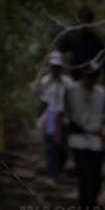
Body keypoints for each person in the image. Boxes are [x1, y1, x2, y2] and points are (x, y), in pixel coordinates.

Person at [63, 64, 105, 210]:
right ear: (83, 76)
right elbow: (64, 112)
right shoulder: (71, 90)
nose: (90, 79)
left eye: (93, 76)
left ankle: (91, 205)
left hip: (95, 140)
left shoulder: (102, 93)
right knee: (84, 176)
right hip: (77, 138)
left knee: (96, 177)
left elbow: (104, 115)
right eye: (88, 76)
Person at [57, 5, 105, 90]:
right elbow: (58, 51)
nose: (84, 23)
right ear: (78, 19)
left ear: (91, 21)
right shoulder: (71, 36)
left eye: (87, 20)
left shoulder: (96, 41)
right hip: (74, 79)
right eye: (82, 19)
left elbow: (104, 62)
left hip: (90, 82)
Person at [35, 51, 67, 182]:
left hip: (64, 118)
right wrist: (40, 118)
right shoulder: (45, 81)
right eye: (53, 66)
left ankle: (57, 171)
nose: (55, 69)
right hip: (49, 116)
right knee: (50, 146)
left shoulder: (67, 83)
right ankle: (52, 175)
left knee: (62, 148)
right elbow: (43, 101)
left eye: (57, 66)